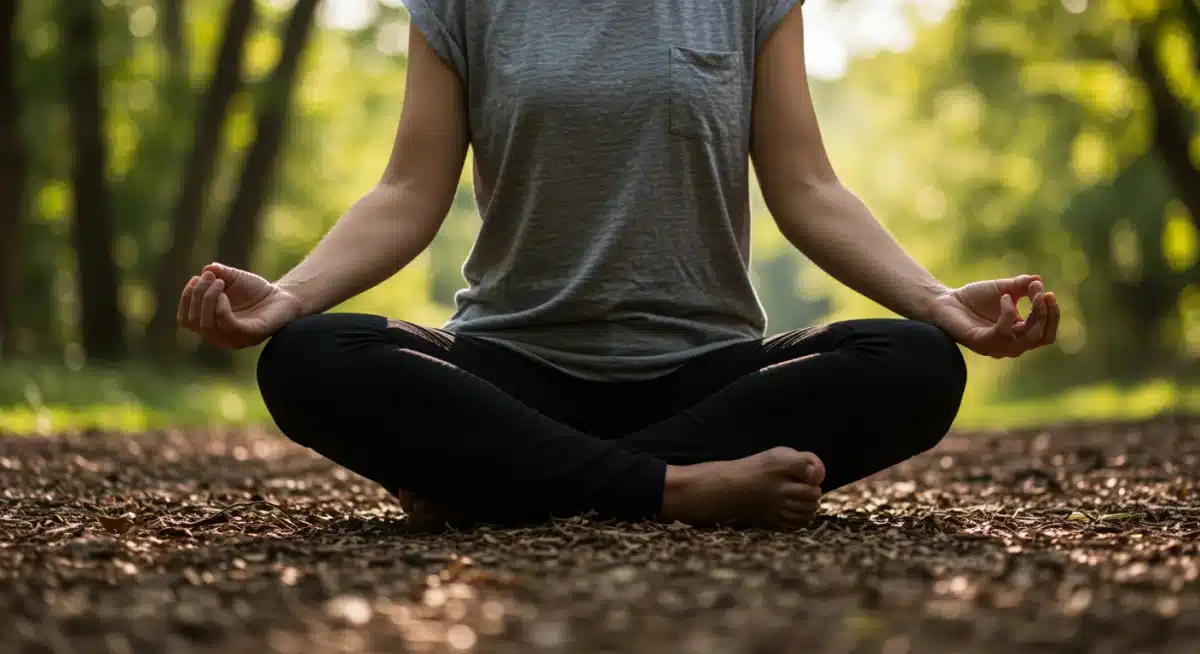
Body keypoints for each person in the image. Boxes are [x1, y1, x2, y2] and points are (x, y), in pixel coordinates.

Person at [177, 1, 1059, 529]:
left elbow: (809, 188)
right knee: (306, 358)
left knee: (915, 364)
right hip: (511, 368)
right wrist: (288, 297)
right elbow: (409, 190)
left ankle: (499, 481)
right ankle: (675, 487)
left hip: (708, 377)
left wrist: (938, 300)